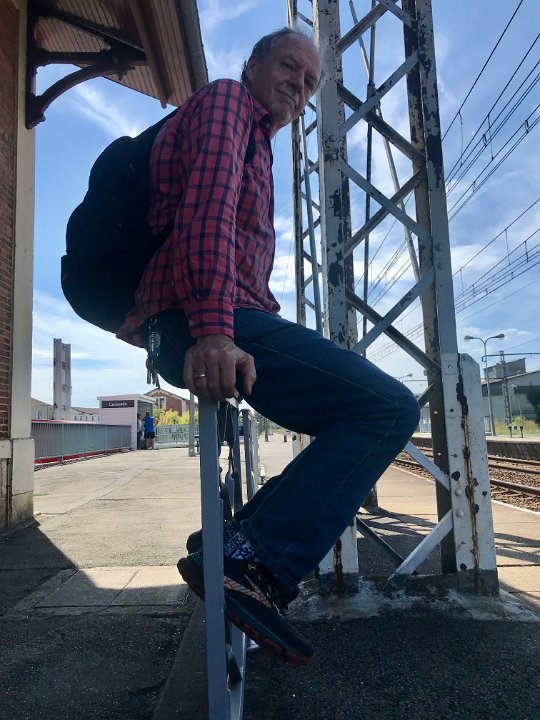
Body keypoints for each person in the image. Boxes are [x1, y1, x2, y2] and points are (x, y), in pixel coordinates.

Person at [117, 28, 420, 665]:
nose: (299, 88)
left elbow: (239, 257)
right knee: (387, 407)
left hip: (219, 314)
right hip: (203, 316)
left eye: (310, 83)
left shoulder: (257, 141)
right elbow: (205, 216)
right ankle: (254, 558)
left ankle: (238, 540)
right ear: (253, 63)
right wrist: (214, 331)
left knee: (354, 410)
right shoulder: (228, 102)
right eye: (289, 68)